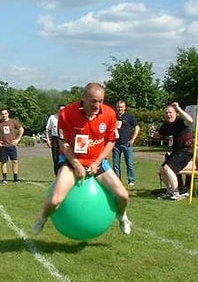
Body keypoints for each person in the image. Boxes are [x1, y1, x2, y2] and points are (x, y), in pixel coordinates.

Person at [31, 82, 132, 236]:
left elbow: (111, 141)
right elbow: (62, 142)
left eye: (101, 101)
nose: (97, 105)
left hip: (97, 162)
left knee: (123, 196)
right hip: (72, 161)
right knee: (54, 200)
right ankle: (42, 218)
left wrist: (97, 162)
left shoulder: (110, 114)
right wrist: (76, 164)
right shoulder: (67, 114)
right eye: (93, 101)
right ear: (83, 98)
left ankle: (122, 217)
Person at [151, 102, 194, 200]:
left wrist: (178, 108)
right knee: (162, 170)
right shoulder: (166, 125)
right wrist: (152, 134)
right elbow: (158, 135)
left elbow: (190, 121)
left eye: (170, 112)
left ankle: (176, 193)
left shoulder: (180, 121)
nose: (168, 115)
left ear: (175, 113)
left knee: (167, 168)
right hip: (176, 152)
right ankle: (170, 191)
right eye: (166, 113)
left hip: (185, 151)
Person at [0, 107, 25, 183]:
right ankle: (4, 178)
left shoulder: (12, 122)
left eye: (5, 113)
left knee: (15, 161)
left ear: (8, 114)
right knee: (3, 162)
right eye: (2, 114)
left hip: (11, 145)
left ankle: (15, 178)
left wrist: (18, 139)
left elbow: (21, 129)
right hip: (3, 146)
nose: (4, 115)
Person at [112, 100, 140, 186]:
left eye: (122, 107)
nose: (120, 109)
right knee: (116, 164)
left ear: (125, 107)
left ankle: (131, 180)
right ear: (116, 107)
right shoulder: (113, 116)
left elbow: (137, 127)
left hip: (127, 144)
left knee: (129, 163)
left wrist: (133, 139)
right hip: (115, 144)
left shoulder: (129, 116)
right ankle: (117, 180)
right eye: (118, 107)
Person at [45, 105, 65, 176]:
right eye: (61, 110)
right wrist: (48, 139)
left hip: (64, 139)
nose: (62, 111)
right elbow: (47, 130)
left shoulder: (66, 117)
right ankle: (57, 175)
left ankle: (62, 175)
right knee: (55, 157)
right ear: (58, 110)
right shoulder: (52, 118)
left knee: (64, 157)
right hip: (55, 139)